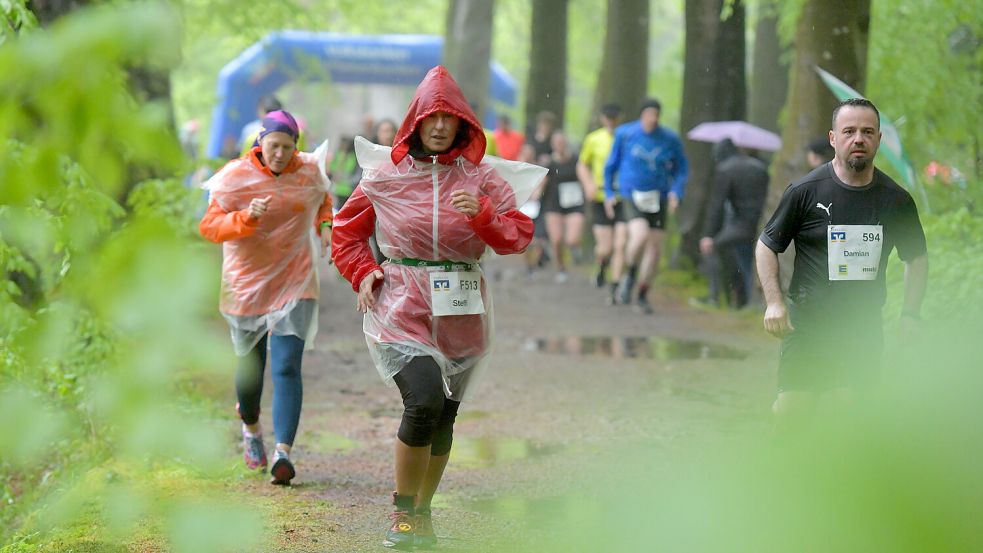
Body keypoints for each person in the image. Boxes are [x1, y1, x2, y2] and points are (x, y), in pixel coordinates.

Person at [331, 66, 534, 550]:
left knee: (444, 415)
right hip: (401, 303)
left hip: (462, 307)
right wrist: (364, 271)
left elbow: (519, 236)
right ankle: (403, 516)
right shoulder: (386, 175)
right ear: (415, 122)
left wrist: (482, 214)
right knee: (421, 401)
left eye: (449, 117)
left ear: (464, 123)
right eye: (431, 117)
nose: (440, 126)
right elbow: (346, 232)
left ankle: (422, 513)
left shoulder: (482, 177)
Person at [756, 98, 928, 431]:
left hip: (860, 326)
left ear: (878, 139)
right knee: (794, 413)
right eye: (849, 131)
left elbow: (916, 257)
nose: (858, 139)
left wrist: (910, 314)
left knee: (846, 417)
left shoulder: (896, 200)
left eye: (867, 131)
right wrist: (774, 303)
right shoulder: (805, 191)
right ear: (833, 138)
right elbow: (767, 245)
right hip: (807, 323)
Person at [200, 110, 332, 485]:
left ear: (296, 147)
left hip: (295, 279)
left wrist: (326, 228)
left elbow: (323, 199)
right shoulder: (234, 177)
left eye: (288, 147)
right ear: (260, 142)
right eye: (274, 145)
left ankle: (283, 453)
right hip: (246, 285)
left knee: (288, 364)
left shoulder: (308, 171)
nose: (280, 154)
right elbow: (209, 227)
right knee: (250, 372)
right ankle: (252, 427)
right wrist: (244, 217)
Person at [603, 98, 689, 314]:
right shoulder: (626, 134)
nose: (653, 119)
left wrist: (675, 193)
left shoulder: (669, 138)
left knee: (656, 249)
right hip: (632, 194)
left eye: (656, 115)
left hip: (658, 196)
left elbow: (682, 169)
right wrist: (609, 193)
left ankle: (642, 293)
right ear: (641, 115)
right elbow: (610, 166)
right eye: (649, 114)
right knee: (639, 236)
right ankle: (631, 273)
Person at [693, 138, 769, 309]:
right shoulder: (759, 167)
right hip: (762, 224)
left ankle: (716, 296)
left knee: (714, 248)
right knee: (748, 261)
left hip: (742, 225)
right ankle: (745, 299)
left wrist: (708, 235)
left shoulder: (725, 169)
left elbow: (716, 206)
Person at [577, 103, 626, 294]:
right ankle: (601, 266)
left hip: (623, 197)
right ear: (603, 119)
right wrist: (588, 184)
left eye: (615, 118)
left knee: (620, 244)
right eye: (608, 118)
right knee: (606, 247)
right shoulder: (594, 139)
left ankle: (616, 285)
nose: (611, 122)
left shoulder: (627, 138)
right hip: (599, 196)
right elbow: (582, 164)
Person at [541, 130, 585, 282]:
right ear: (552, 145)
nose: (559, 146)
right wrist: (534, 196)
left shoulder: (576, 160)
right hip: (554, 203)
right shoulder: (549, 163)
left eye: (562, 142)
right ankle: (561, 267)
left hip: (574, 203)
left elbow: (584, 175)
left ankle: (575, 248)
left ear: (565, 143)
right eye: (556, 143)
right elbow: (542, 182)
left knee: (572, 239)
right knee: (556, 239)